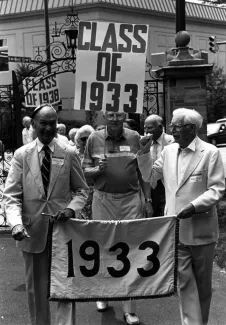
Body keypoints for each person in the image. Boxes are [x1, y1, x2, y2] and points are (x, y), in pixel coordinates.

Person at [137, 108, 225, 325]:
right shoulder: (168, 151)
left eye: (177, 126)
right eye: (172, 126)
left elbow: (217, 189)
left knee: (203, 287)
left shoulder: (210, 152)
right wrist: (144, 153)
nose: (172, 131)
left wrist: (194, 206)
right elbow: (149, 176)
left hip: (201, 229)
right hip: (175, 228)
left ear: (191, 129)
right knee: (184, 283)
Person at [4, 103, 89, 325]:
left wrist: (71, 209)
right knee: (36, 290)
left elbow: (81, 190)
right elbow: (11, 196)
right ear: (33, 124)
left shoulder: (69, 153)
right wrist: (15, 224)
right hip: (32, 232)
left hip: (64, 231)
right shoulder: (22, 155)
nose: (49, 128)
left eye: (52, 123)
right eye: (44, 123)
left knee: (66, 288)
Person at [82, 111, 153, 325]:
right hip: (103, 199)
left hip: (131, 199)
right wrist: (96, 169)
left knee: (131, 249)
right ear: (104, 115)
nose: (114, 118)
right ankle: (103, 294)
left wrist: (147, 199)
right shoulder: (94, 138)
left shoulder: (134, 137)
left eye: (119, 114)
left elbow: (144, 170)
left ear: (124, 116)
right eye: (111, 114)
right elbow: (85, 170)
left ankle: (129, 308)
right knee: (104, 247)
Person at [143, 114, 174, 216]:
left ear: (160, 127)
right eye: (145, 128)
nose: (147, 131)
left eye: (150, 127)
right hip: (149, 186)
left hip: (166, 185)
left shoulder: (172, 141)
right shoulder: (143, 142)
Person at [74, 124, 95, 219]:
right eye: (83, 139)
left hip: (95, 193)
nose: (86, 141)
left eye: (89, 138)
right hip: (78, 193)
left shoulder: (97, 154)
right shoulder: (73, 154)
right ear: (78, 140)